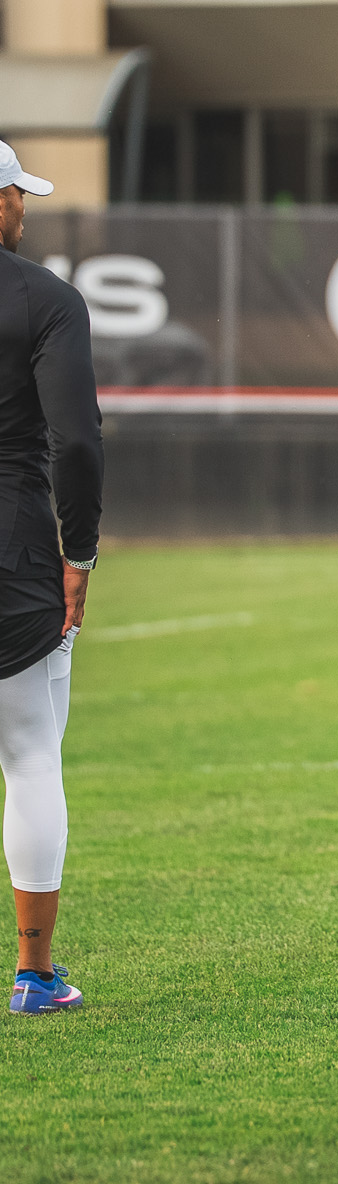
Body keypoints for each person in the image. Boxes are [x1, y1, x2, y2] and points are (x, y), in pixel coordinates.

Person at [0, 141, 102, 1015]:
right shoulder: (46, 301)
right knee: (30, 756)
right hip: (15, 550)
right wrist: (82, 555)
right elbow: (75, 441)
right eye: (16, 193)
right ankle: (33, 976)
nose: (23, 207)